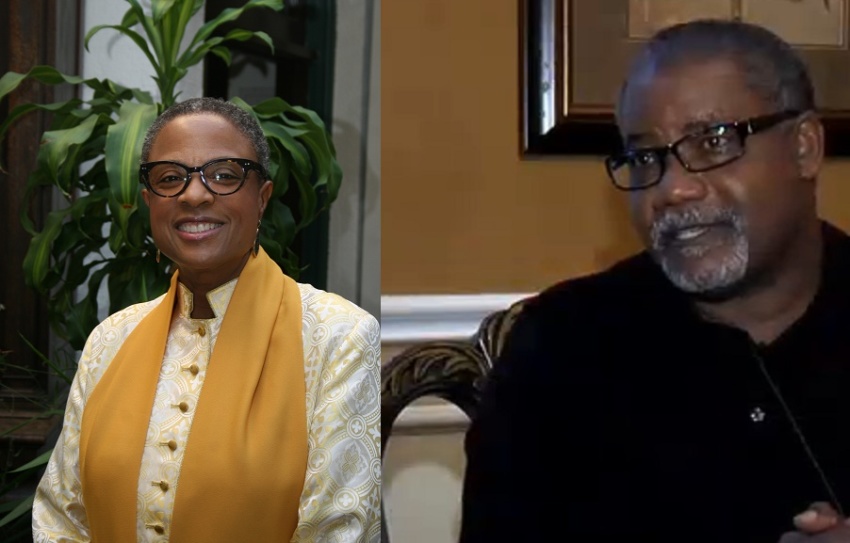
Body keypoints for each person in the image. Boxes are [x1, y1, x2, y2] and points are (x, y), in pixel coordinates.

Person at [460, 19, 850, 543]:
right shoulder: (561, 346)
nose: (672, 190)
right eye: (646, 158)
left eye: (713, 141)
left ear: (804, 147)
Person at [32, 97, 381, 542]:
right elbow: (60, 516)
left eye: (224, 175)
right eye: (170, 178)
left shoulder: (338, 336)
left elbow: (338, 531)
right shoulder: (111, 339)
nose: (195, 194)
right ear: (149, 202)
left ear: (262, 198)